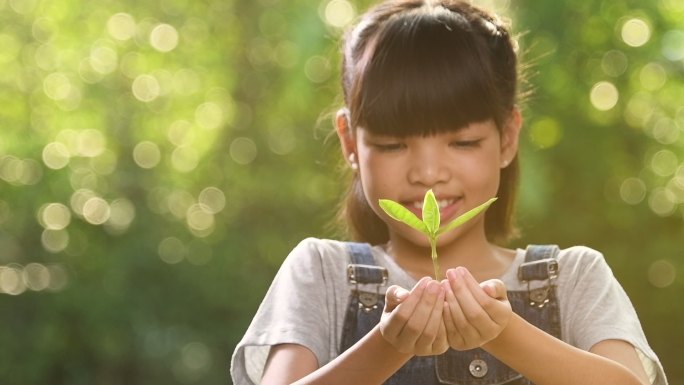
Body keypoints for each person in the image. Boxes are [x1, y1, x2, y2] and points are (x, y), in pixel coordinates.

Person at [230, 0, 668, 384]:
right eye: (392, 145)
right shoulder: (322, 274)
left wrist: (505, 333)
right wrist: (386, 346)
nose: (428, 173)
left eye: (462, 142)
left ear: (508, 138)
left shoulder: (573, 279)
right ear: (349, 142)